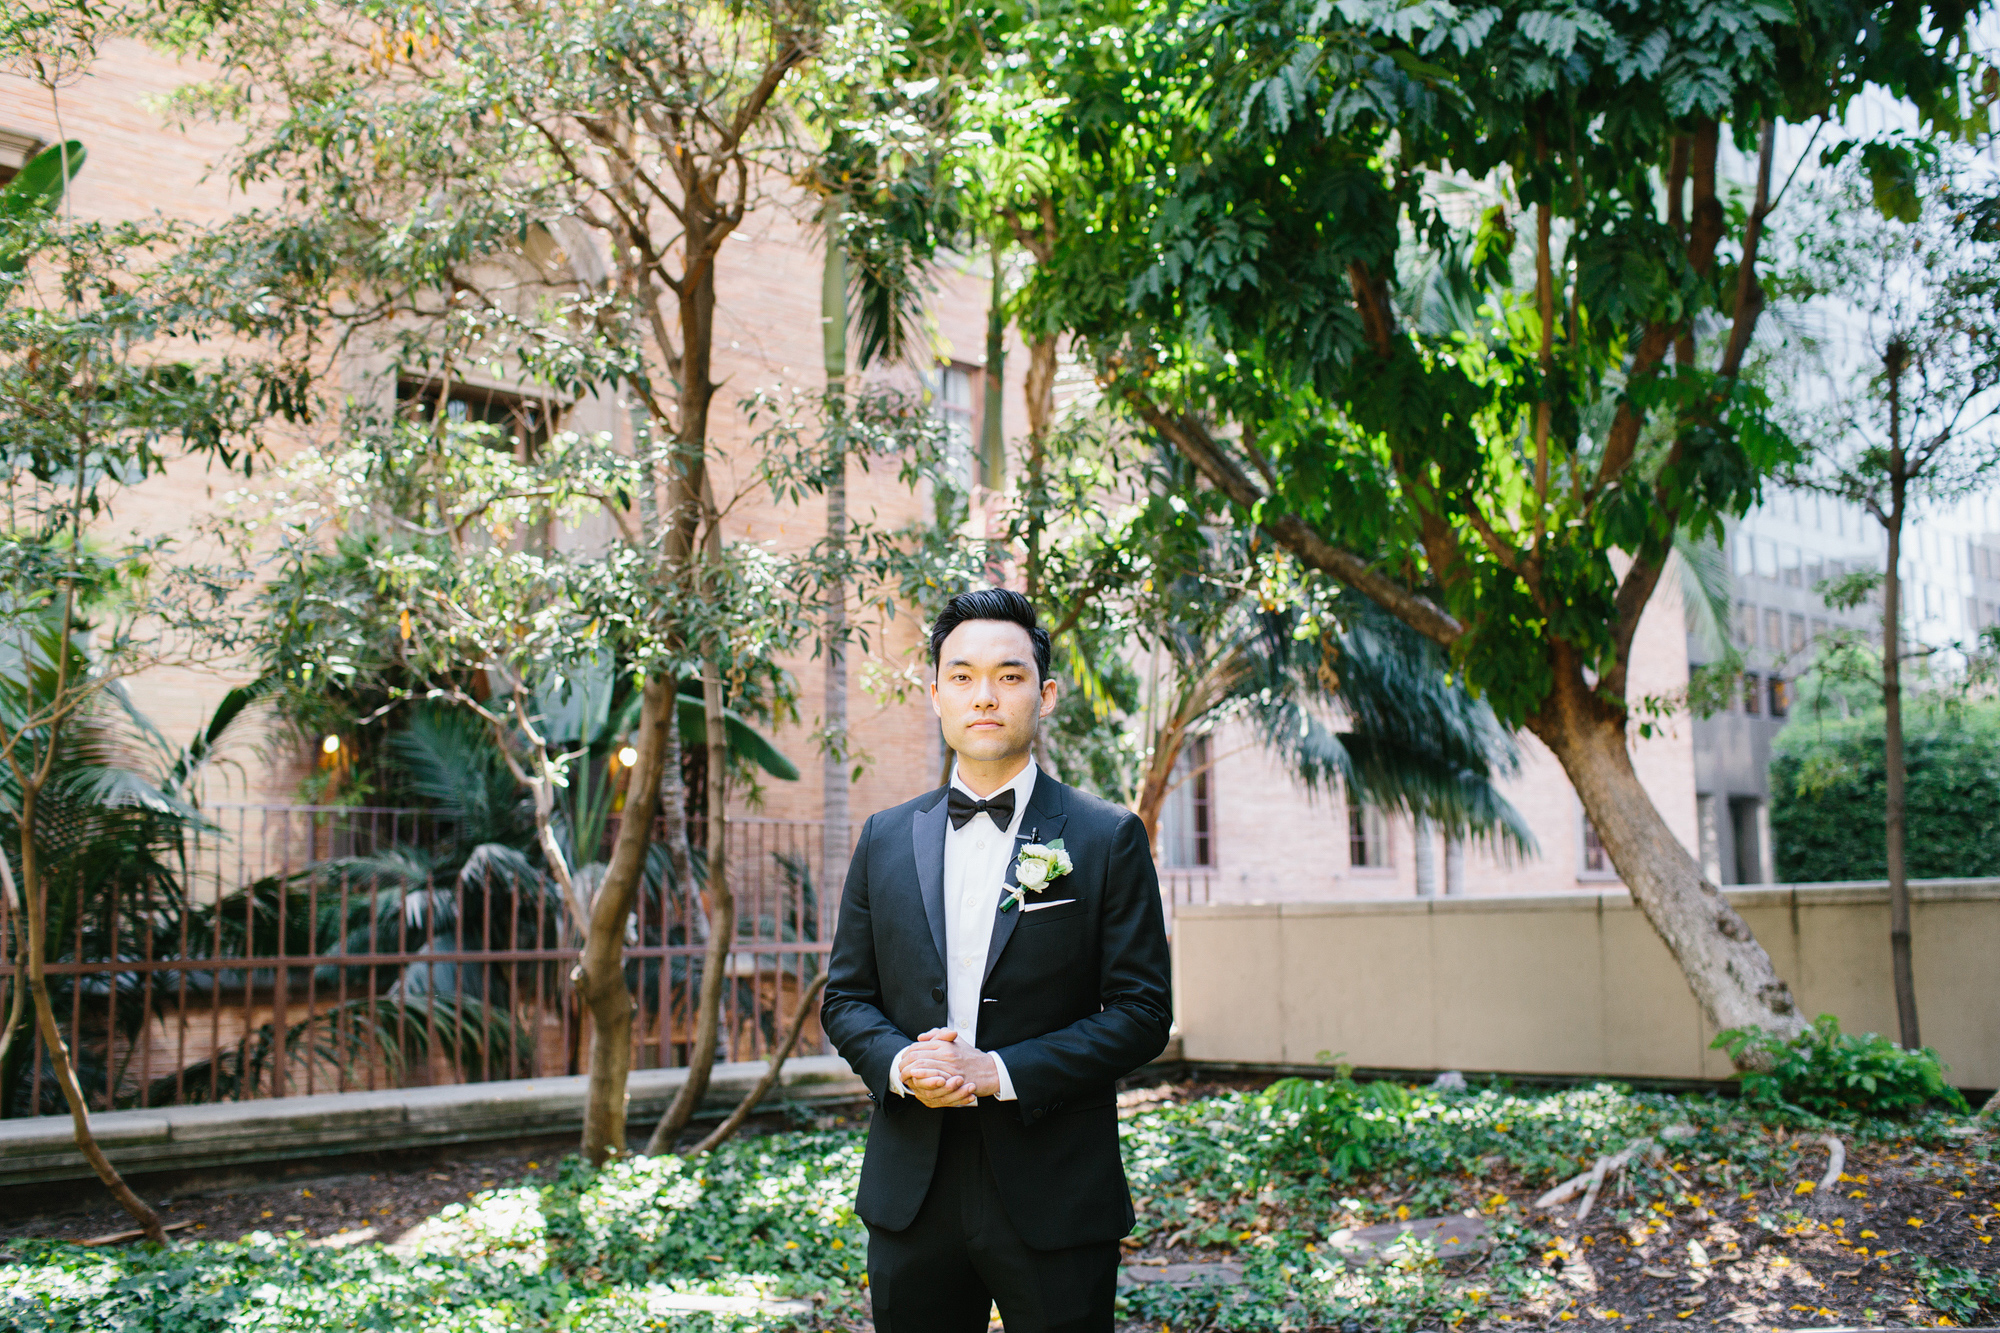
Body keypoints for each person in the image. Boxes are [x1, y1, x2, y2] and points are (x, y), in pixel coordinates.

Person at [821, 587, 1173, 1333]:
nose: (986, 695)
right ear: (936, 693)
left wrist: (999, 1072)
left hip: (1056, 1189)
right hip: (911, 1190)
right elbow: (846, 998)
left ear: (1044, 694)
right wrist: (902, 1064)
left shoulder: (1106, 837)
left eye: (1009, 676)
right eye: (963, 675)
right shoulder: (884, 837)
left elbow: (1143, 1013)